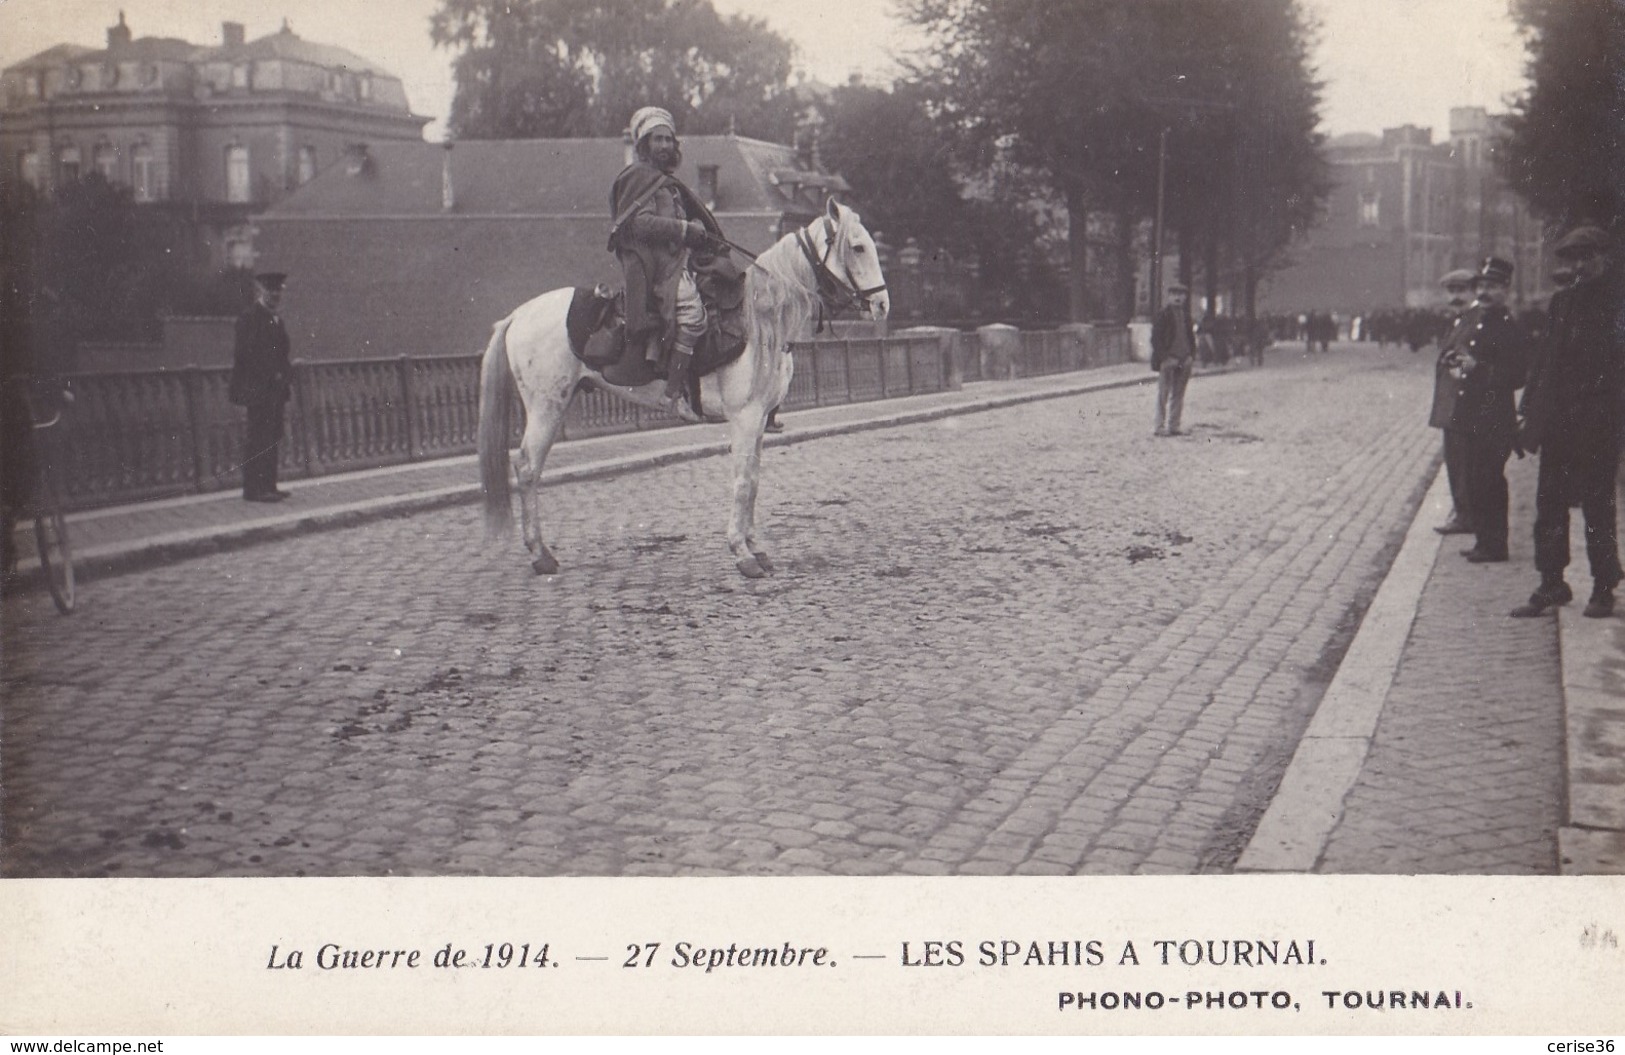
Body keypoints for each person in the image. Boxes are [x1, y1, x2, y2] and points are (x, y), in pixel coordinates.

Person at [1511, 226, 1624, 618]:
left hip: (1599, 419)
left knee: (1597, 503)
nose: (1579, 266)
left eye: (1586, 257)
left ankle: (1603, 586)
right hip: (1559, 419)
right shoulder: (1562, 302)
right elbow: (1545, 362)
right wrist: (1528, 412)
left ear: (1604, 258)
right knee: (1550, 503)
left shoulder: (1617, 303)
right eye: (1572, 259)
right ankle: (1552, 583)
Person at [608, 106, 728, 424]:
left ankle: (705, 397)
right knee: (693, 318)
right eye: (657, 139)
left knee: (723, 291)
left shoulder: (666, 182)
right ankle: (671, 396)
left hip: (681, 259)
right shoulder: (638, 179)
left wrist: (703, 236)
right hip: (658, 268)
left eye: (668, 140)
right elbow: (638, 223)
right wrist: (685, 229)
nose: (663, 145)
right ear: (644, 144)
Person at [1449, 257, 1527, 564]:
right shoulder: (1481, 323)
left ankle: (1496, 545)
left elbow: (1517, 375)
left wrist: (1477, 368)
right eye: (1481, 286)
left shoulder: (1509, 327)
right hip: (1472, 415)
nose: (1484, 292)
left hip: (1495, 418)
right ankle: (1483, 539)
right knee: (1474, 479)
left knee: (1490, 480)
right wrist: (1459, 366)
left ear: (1506, 289)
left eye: (1492, 286)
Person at [229, 272, 294, 502]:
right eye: (270, 291)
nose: (275, 296)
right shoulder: (249, 318)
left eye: (278, 292)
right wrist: (271, 374)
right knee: (258, 437)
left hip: (274, 390)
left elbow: (283, 354)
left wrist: (284, 376)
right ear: (260, 292)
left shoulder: (277, 320)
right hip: (257, 389)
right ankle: (254, 489)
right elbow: (245, 354)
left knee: (273, 435)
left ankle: (269, 485)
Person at [1429, 268, 1481, 536]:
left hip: (1464, 404)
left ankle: (1465, 515)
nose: (1455, 297)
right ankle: (1462, 511)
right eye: (1451, 291)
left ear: (1473, 290)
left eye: (1461, 290)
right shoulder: (1461, 320)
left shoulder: (1476, 319)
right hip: (1453, 404)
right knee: (1455, 459)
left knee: (1462, 461)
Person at [1150, 283, 1196, 436]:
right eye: (1174, 294)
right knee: (1163, 393)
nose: (1177, 297)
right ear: (1169, 296)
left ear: (1185, 297)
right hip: (1169, 359)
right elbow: (1155, 339)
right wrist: (1164, 357)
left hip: (1184, 359)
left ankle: (1174, 425)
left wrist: (1191, 356)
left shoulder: (1186, 316)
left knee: (1179, 394)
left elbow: (1190, 337)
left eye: (1181, 294)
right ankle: (1159, 426)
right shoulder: (1163, 315)